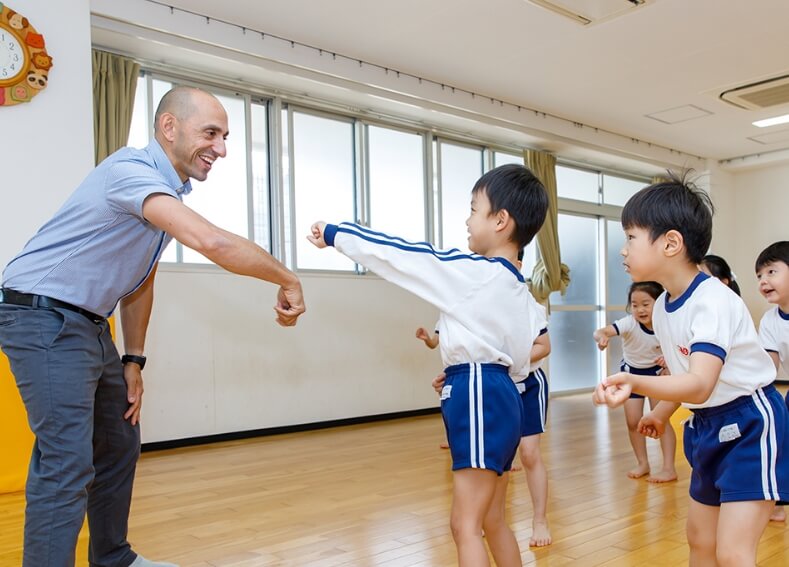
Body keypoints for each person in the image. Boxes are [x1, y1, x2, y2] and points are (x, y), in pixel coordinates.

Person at [0, 86, 306, 567]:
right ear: (169, 127)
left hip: (86, 325)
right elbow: (209, 240)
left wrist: (133, 360)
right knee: (66, 460)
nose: (221, 148)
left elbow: (138, 281)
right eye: (211, 133)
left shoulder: (164, 191)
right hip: (41, 315)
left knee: (119, 440)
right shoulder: (131, 171)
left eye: (225, 136)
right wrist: (287, 276)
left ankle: (113, 557)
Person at [308, 163, 549, 567]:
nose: (467, 220)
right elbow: (519, 360)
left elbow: (407, 256)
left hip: (478, 391)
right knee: (493, 520)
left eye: (474, 209)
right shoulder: (520, 292)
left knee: (465, 525)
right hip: (501, 393)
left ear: (501, 221)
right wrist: (464, 368)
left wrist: (337, 234)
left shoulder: (474, 272)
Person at [593, 175, 789, 567]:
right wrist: (661, 411)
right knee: (700, 542)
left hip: (750, 424)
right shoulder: (665, 306)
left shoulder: (711, 301)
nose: (624, 249)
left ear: (670, 243)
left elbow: (700, 383)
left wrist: (632, 379)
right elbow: (685, 376)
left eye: (631, 237)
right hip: (705, 426)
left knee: (734, 553)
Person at [592, 281, 677, 483]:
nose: (640, 309)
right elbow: (601, 331)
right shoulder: (629, 323)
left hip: (657, 376)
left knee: (661, 420)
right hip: (632, 375)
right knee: (633, 422)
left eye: (646, 304)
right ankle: (642, 463)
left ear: (659, 304)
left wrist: (668, 360)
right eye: (635, 304)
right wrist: (602, 337)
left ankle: (668, 467)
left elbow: (680, 348)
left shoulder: (667, 324)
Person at [754, 241, 789, 522]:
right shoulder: (769, 320)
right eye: (759, 276)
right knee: (782, 441)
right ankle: (778, 503)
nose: (764, 281)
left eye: (771, 272)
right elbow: (769, 366)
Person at [512, 306, 552, 547]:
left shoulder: (527, 304)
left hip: (529, 384)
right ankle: (491, 517)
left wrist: (508, 362)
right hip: (495, 383)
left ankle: (540, 520)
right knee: (497, 457)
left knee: (529, 453)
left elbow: (544, 346)